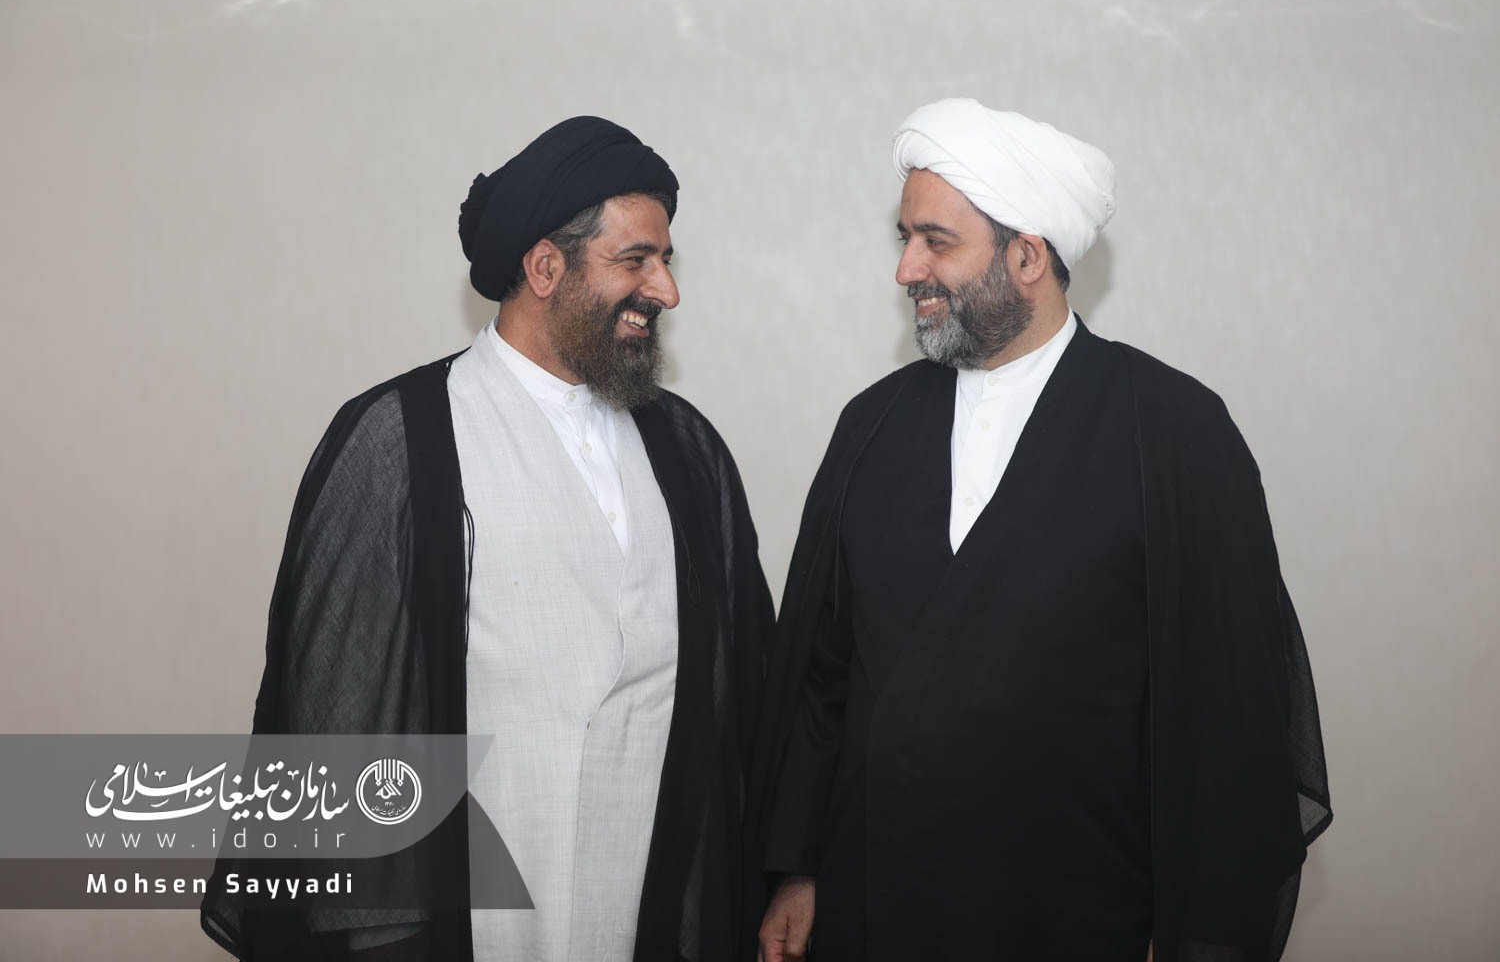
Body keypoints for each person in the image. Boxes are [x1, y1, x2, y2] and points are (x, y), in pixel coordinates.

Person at [751, 99, 1331, 962]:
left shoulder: (1174, 432)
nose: (906, 268)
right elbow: (822, 675)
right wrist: (797, 870)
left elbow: (1230, 712)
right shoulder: (871, 426)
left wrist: (1196, 934)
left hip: (1080, 913)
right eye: (905, 238)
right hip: (875, 903)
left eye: (936, 241)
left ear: (1027, 256)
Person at [201, 116, 773, 961]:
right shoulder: (402, 440)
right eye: (636, 260)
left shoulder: (687, 451)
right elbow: (341, 718)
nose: (666, 290)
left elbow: (743, 697)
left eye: (666, 260)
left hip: (642, 906)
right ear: (545, 269)